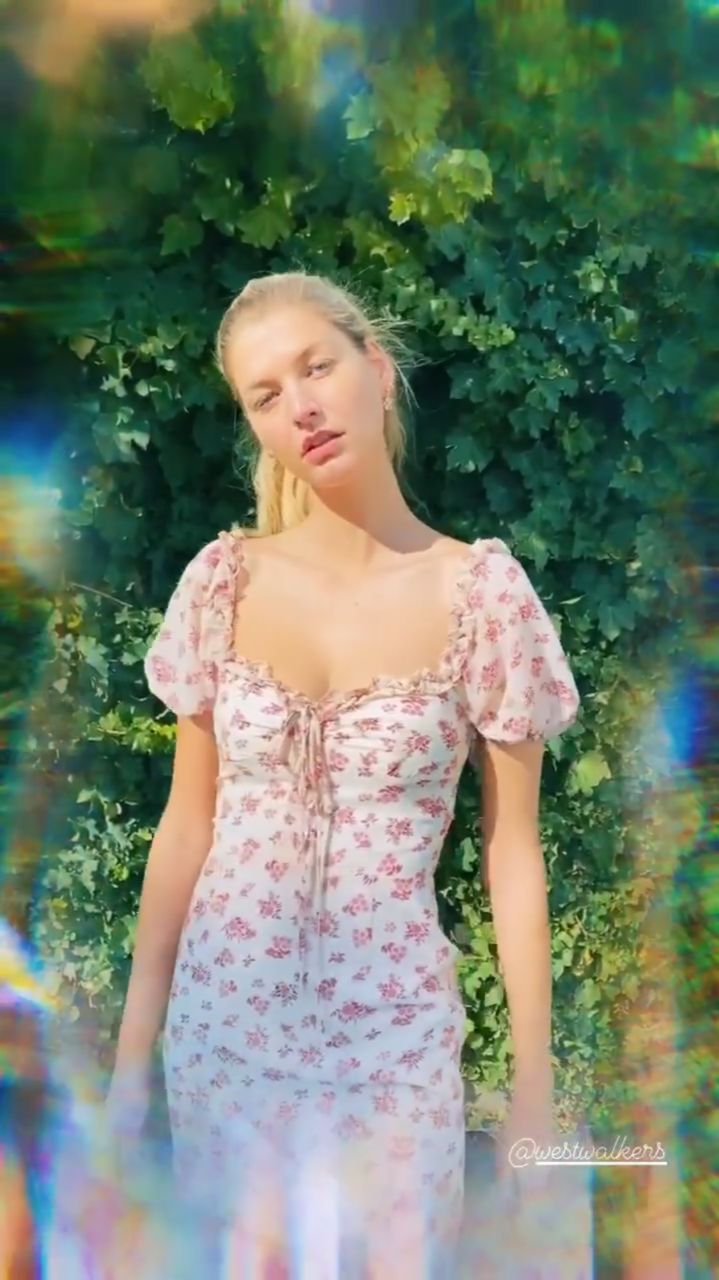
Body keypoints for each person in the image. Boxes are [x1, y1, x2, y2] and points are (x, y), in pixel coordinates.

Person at [108, 271, 581, 1277]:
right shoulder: (223, 582)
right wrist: (126, 1067)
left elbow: (511, 852)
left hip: (393, 1046)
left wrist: (532, 1090)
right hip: (224, 1038)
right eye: (265, 395)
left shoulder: (482, 594)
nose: (301, 407)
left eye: (315, 368)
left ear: (377, 368)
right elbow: (186, 827)